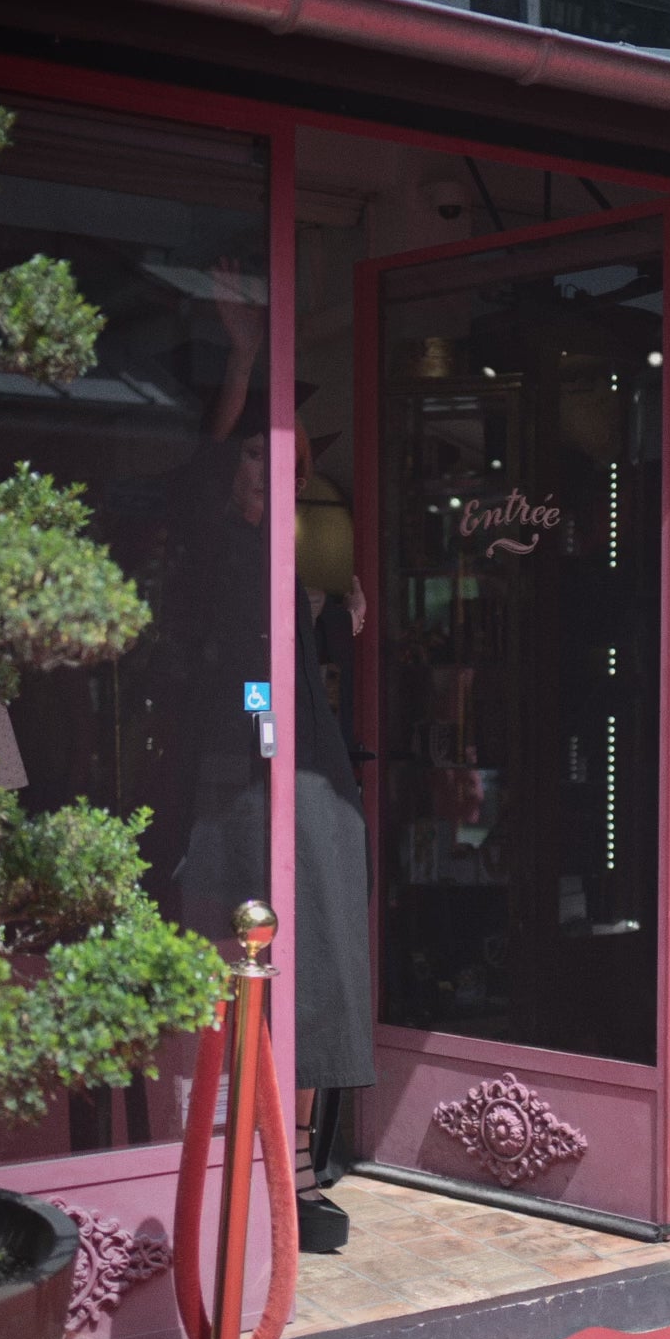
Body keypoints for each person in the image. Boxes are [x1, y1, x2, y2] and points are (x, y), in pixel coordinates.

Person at [205, 261, 375, 1250]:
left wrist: (336, 606)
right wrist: (244, 359)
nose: (280, 479)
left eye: (293, 466)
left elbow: (318, 660)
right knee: (244, 971)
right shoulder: (220, 547)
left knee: (320, 969)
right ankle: (243, 1164)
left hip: (308, 777)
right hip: (237, 781)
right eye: (260, 463)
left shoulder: (307, 555)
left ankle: (300, 1167)